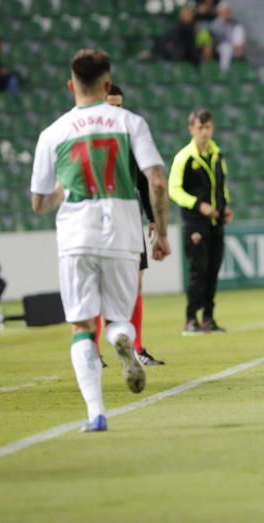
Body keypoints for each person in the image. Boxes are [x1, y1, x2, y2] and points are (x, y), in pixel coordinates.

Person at [30, 49, 171, 432]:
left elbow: (39, 203)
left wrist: (63, 190)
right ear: (108, 85)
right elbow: (157, 180)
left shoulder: (52, 133)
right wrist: (161, 233)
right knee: (117, 319)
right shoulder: (130, 123)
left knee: (81, 327)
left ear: (71, 85)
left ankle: (96, 413)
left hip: (76, 235)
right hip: (124, 234)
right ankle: (125, 341)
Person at [95, 84, 165, 366]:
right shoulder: (88, 139)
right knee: (99, 285)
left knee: (136, 282)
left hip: (130, 217)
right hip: (98, 220)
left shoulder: (130, 138)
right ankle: (93, 351)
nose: (116, 111)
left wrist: (152, 217)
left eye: (119, 106)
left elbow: (143, 180)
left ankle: (137, 347)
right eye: (111, 106)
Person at [169, 108, 233, 335]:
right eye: (200, 128)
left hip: (216, 223)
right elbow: (174, 190)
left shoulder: (217, 154)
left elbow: (221, 185)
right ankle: (190, 319)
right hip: (195, 223)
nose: (204, 132)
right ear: (191, 129)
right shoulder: (184, 157)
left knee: (213, 269)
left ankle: (208, 318)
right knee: (198, 270)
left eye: (207, 127)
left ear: (212, 128)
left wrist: (225, 206)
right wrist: (199, 205)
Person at [208, 2, 247, 71]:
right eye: (223, 11)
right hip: (220, 45)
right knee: (227, 49)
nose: (225, 13)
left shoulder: (234, 22)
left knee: (239, 28)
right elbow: (216, 38)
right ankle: (224, 71)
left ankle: (238, 53)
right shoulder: (214, 24)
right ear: (219, 12)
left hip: (234, 45)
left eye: (227, 11)